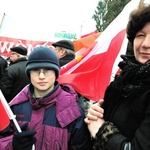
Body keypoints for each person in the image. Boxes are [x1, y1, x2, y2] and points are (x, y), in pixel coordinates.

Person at [0, 46, 92, 150]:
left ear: (56, 73)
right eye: (35, 70)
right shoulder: (15, 106)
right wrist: (12, 145)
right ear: (29, 73)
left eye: (47, 70)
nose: (41, 76)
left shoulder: (72, 111)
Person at [84, 4, 150, 150]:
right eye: (141, 35)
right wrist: (95, 115)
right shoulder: (122, 81)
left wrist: (103, 132)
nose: (145, 44)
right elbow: (99, 123)